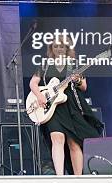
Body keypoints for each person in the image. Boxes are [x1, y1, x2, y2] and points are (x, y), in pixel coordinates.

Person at [29, 38, 103, 175]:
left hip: (70, 106)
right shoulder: (44, 64)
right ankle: (60, 177)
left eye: (62, 46)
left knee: (73, 142)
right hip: (52, 108)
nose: (59, 48)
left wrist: (78, 80)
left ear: (66, 49)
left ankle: (77, 177)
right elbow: (33, 83)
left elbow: (84, 87)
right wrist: (40, 96)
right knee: (57, 138)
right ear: (51, 48)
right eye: (56, 46)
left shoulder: (74, 65)